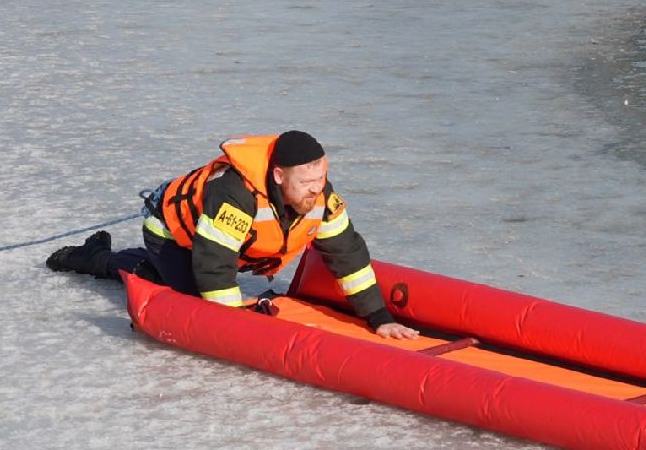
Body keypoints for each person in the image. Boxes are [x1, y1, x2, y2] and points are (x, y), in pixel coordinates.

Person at [47, 131, 419, 340]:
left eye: (320, 179)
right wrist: (235, 327)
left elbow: (349, 256)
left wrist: (378, 316)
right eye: (306, 182)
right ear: (278, 176)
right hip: (172, 235)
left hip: (225, 248)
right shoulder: (235, 195)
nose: (315, 190)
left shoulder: (320, 196)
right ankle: (98, 259)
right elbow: (213, 264)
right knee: (186, 294)